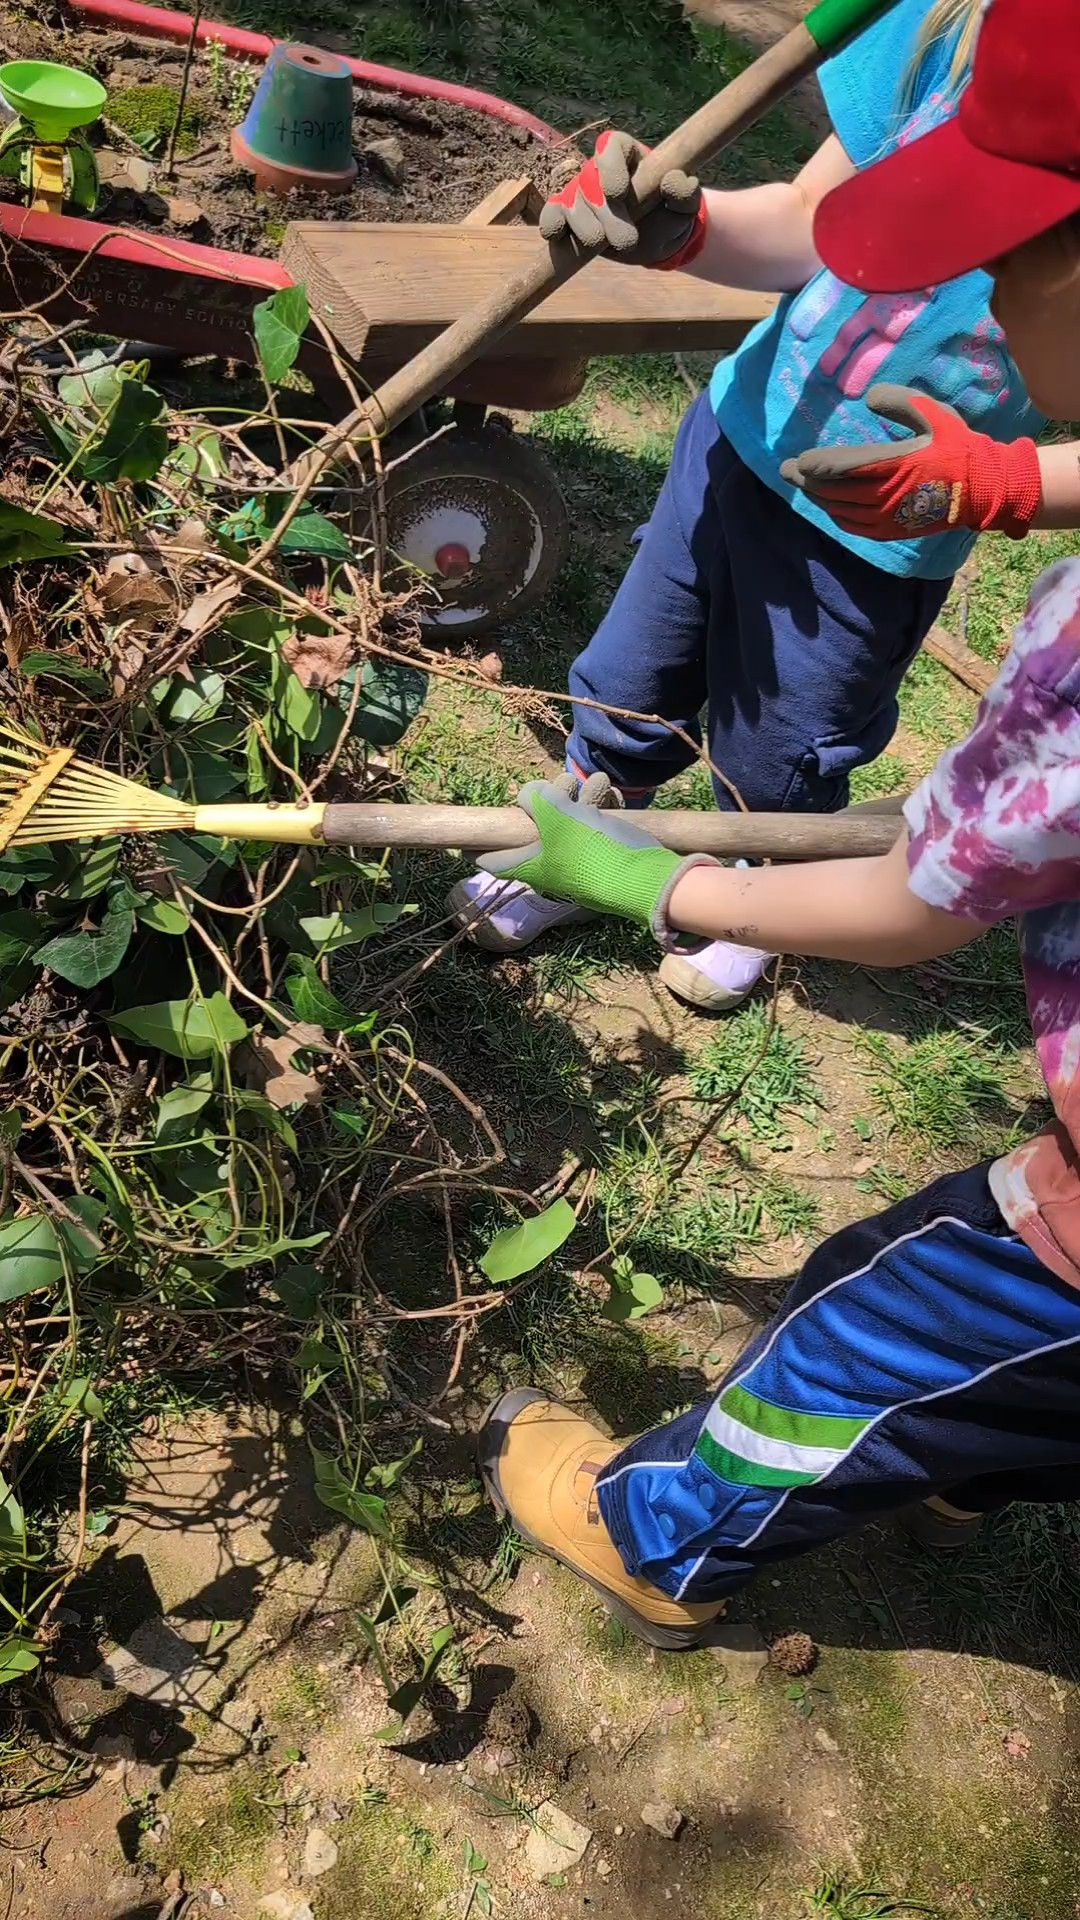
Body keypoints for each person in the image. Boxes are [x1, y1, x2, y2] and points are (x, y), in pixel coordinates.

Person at [477, 0, 1080, 1651]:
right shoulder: (952, 43)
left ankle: (657, 1532)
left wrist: (663, 894)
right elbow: (829, 218)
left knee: (867, 1329)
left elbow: (925, 892)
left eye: (1008, 254)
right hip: (762, 438)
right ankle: (1000, 1447)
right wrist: (1020, 486)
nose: (977, 287)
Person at [449, 0, 1066, 1016]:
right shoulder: (954, 27)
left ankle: (752, 896)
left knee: (785, 742)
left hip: (880, 529)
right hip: (739, 431)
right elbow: (808, 228)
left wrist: (1002, 481)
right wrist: (688, 231)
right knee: (635, 667)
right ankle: (585, 818)